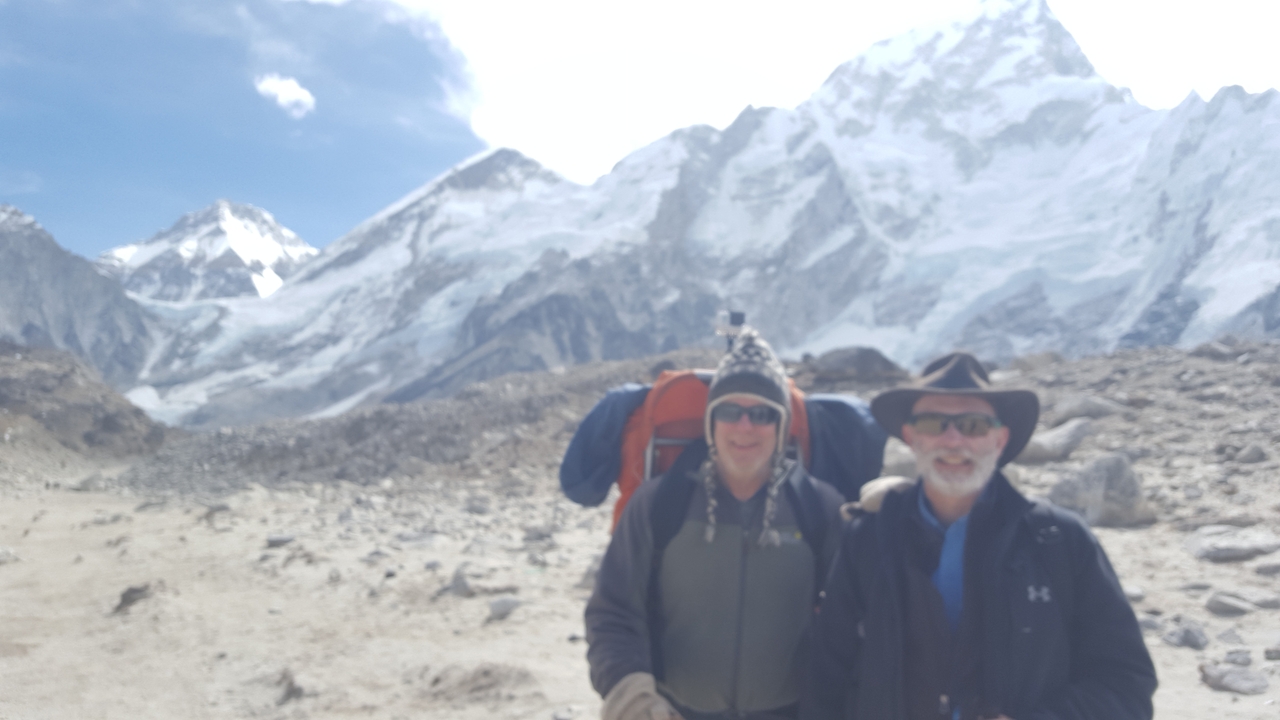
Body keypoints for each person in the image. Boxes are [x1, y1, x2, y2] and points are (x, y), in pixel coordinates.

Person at [804, 352, 1156, 720]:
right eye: (932, 423)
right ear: (910, 437)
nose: (953, 440)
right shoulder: (867, 540)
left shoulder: (1060, 542)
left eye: (973, 425)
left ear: (1000, 439)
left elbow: (1125, 684)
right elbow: (828, 678)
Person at [586, 328, 844, 720]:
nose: (744, 427)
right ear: (711, 423)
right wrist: (631, 697)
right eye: (729, 411)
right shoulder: (659, 504)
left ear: (780, 426)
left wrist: (886, 514)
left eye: (761, 414)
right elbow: (613, 612)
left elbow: (860, 615)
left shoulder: (819, 508)